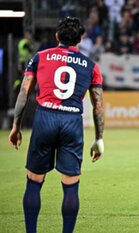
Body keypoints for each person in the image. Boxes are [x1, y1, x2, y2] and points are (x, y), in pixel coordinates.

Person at [8, 17, 104, 233]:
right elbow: (98, 106)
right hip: (72, 121)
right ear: (80, 39)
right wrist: (99, 138)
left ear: (57, 37)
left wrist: (16, 125)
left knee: (34, 181)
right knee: (71, 184)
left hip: (45, 118)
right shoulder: (91, 66)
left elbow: (24, 93)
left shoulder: (39, 57)